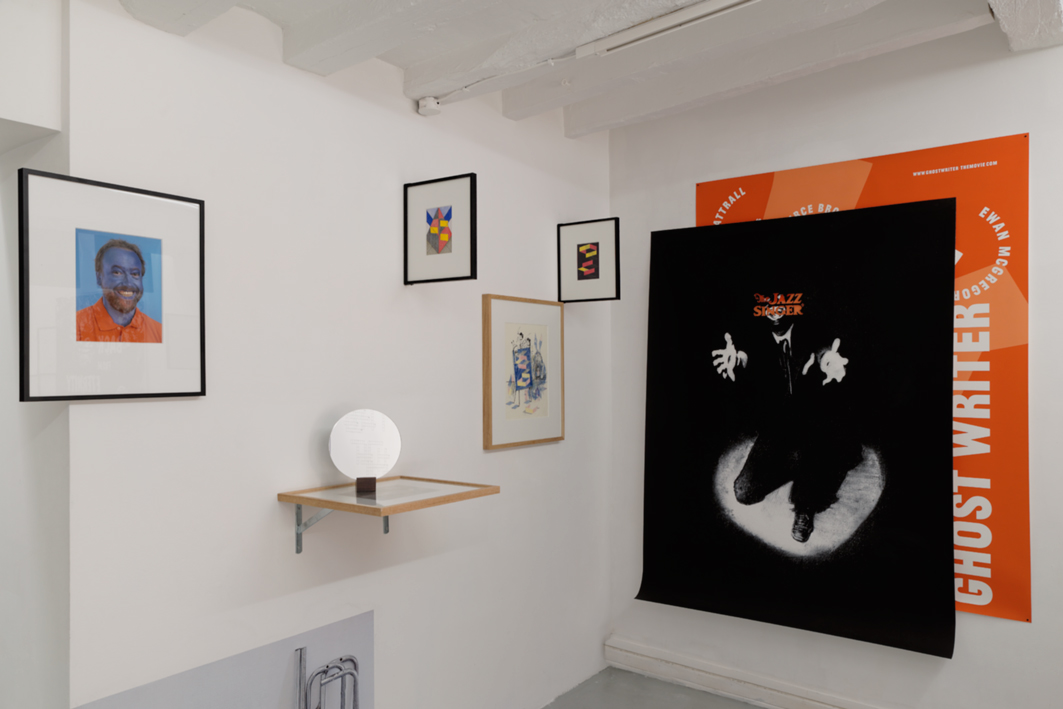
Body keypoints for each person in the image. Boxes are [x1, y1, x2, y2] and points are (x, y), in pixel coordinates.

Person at [711, 300, 861, 543]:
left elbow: (823, 350)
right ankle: (804, 463)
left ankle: (806, 503)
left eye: (782, 301)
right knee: (744, 492)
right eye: (768, 302)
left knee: (816, 461)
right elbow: (746, 353)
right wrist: (737, 361)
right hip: (779, 427)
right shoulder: (755, 334)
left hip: (814, 423)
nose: (775, 309)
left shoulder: (811, 327)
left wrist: (827, 360)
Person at [76, 239, 162, 343]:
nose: (128, 283)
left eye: (135, 274)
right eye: (117, 272)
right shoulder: (75, 325)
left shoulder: (159, 332)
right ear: (99, 278)